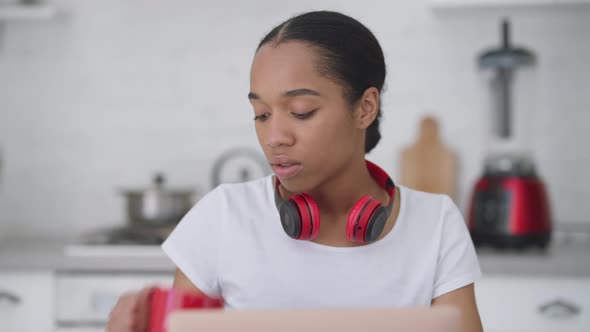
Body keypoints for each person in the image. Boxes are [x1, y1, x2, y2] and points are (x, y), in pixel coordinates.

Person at [107, 10, 483, 332]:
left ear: (364, 108)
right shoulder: (222, 217)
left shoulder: (436, 225)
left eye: (301, 111)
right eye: (261, 114)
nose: (274, 138)